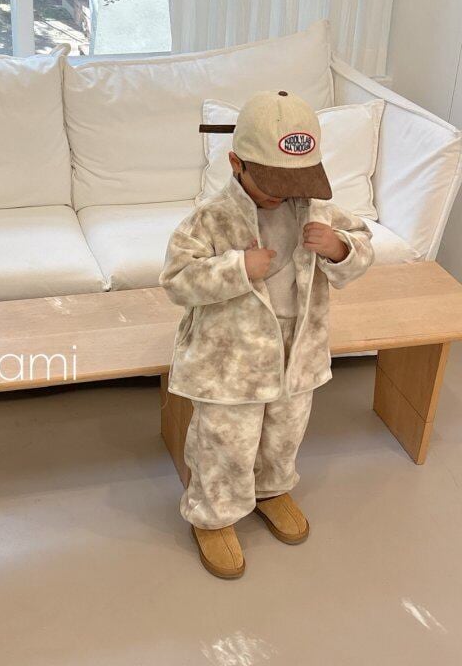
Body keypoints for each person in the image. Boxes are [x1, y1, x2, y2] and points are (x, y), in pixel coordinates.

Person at [159, 90, 374, 579]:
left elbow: (363, 241)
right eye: (273, 183)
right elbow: (176, 280)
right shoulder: (210, 219)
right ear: (236, 164)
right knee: (225, 441)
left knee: (285, 431)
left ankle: (271, 490)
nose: (285, 194)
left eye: (295, 181)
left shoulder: (316, 209)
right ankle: (214, 515)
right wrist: (237, 268)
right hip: (230, 359)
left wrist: (340, 248)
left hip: (297, 349)